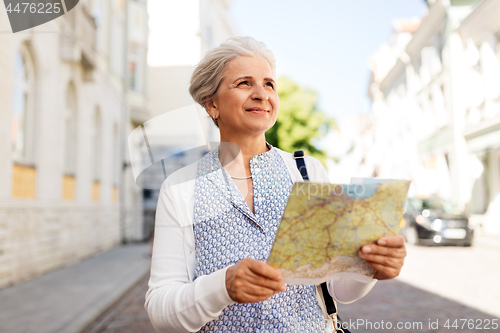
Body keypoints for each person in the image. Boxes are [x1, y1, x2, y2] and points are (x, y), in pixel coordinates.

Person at [145, 36, 407, 333]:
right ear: (211, 103)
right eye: (244, 83)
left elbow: (337, 289)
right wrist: (223, 287)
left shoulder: (307, 171)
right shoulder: (180, 187)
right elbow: (161, 311)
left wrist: (370, 267)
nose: (261, 93)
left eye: (269, 84)